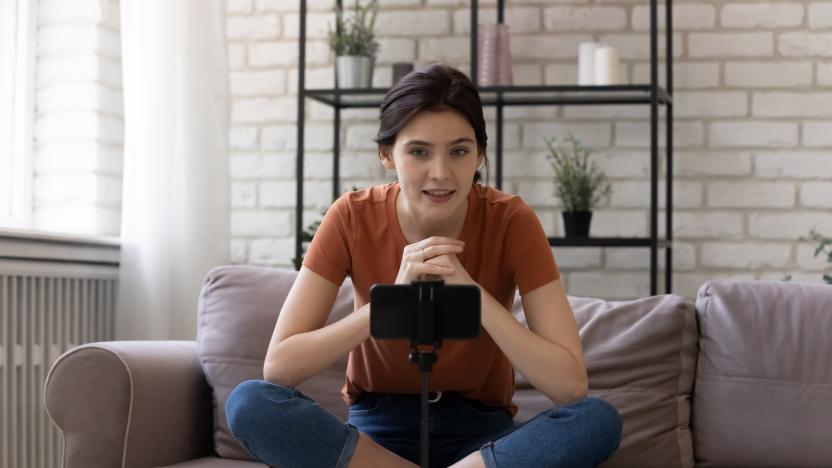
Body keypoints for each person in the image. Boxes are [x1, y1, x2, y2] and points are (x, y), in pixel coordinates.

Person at [225, 63, 622, 468]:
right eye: (418, 152)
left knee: (596, 421)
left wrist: (473, 296)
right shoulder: (351, 217)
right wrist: (391, 305)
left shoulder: (512, 222)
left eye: (459, 151)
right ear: (386, 154)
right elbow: (279, 368)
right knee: (250, 402)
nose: (441, 173)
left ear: (480, 154)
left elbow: (571, 387)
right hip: (376, 431)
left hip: (482, 435)